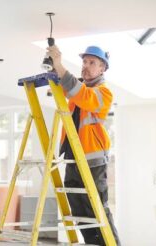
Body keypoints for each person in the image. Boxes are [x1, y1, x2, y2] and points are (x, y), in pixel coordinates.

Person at [46, 45, 120, 245]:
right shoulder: (78, 88)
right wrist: (54, 67)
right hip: (72, 158)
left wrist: (61, 67)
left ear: (102, 68)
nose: (86, 67)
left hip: (92, 161)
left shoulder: (104, 93)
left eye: (92, 63)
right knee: (79, 210)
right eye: (84, 62)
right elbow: (68, 88)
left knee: (97, 208)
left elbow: (82, 95)